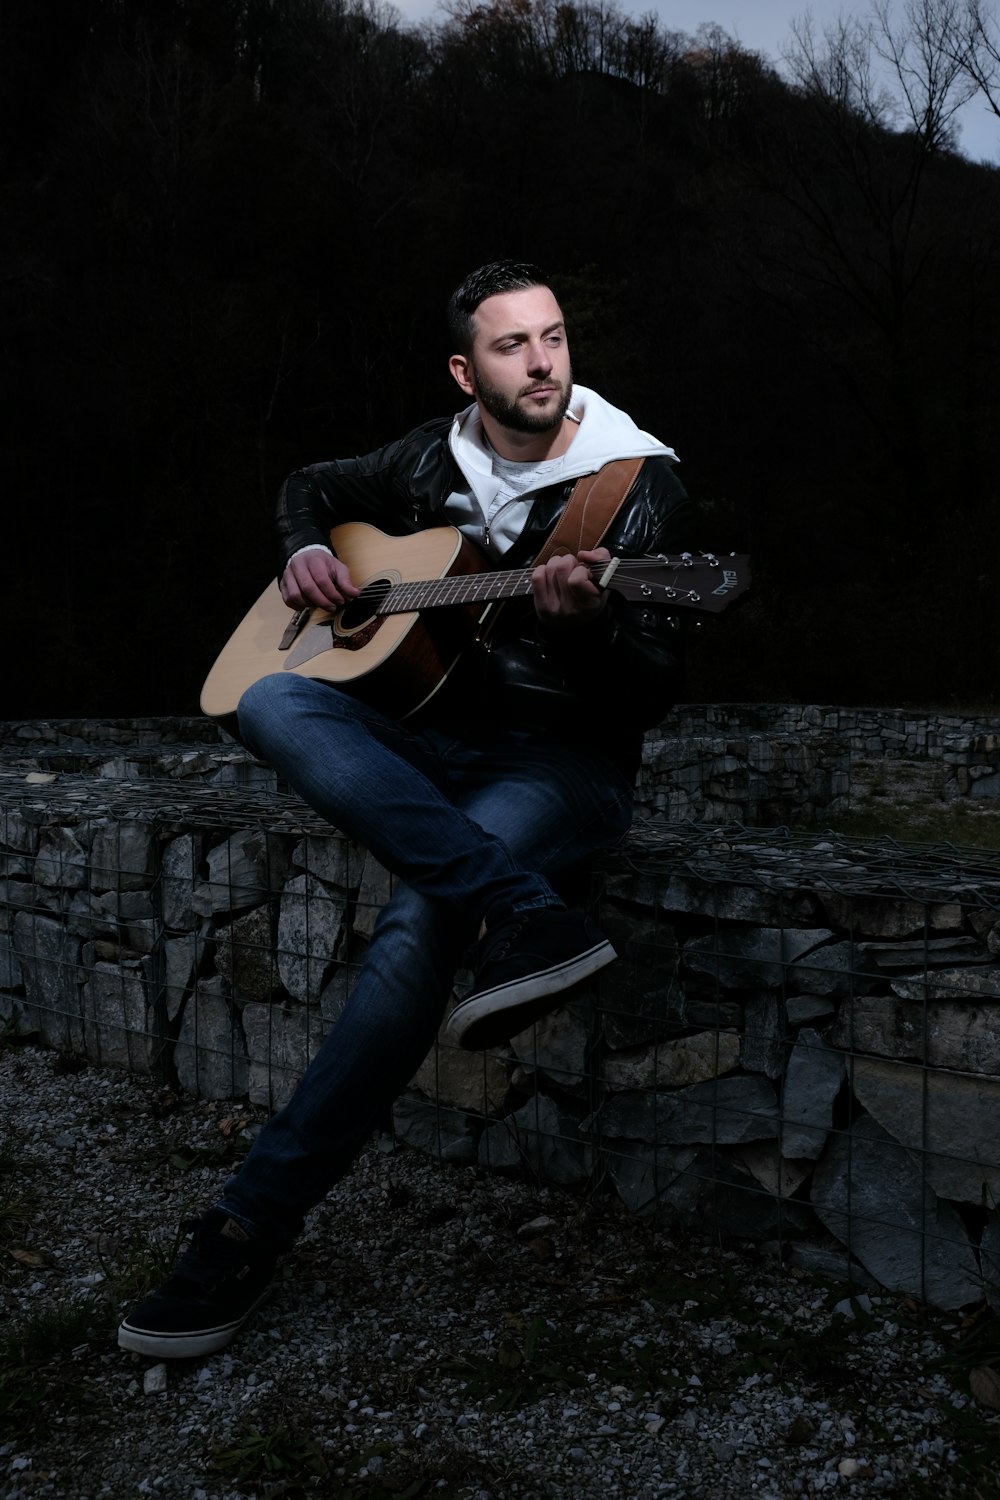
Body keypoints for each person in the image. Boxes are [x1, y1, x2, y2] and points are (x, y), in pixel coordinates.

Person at [118, 259, 692, 1360]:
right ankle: (527, 913)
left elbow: (652, 692)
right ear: (463, 367)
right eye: (513, 345)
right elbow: (312, 486)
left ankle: (247, 1223)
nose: (541, 363)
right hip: (430, 738)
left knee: (418, 926)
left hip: (555, 762)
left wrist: (586, 626)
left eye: (554, 338)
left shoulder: (637, 482)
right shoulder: (431, 454)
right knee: (273, 696)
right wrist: (301, 552)